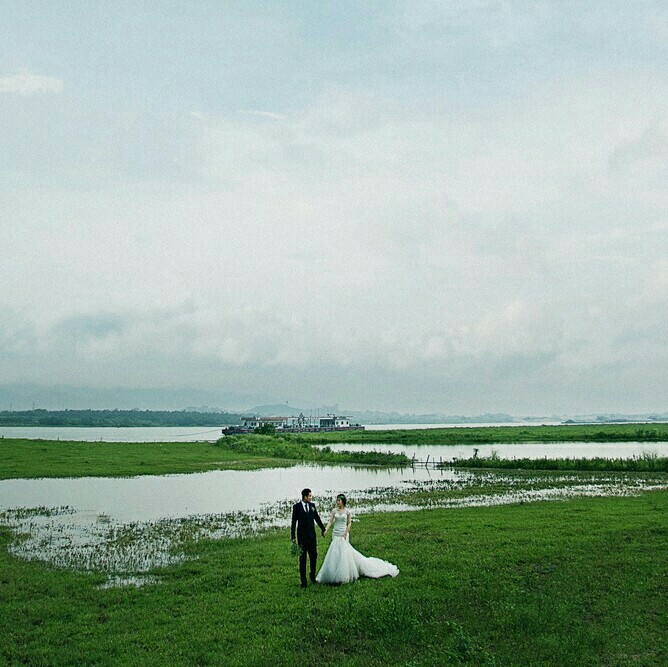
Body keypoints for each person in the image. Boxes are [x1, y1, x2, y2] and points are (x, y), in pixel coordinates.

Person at [316, 494, 399, 584]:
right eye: (337, 500)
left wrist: (346, 533)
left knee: (344, 552)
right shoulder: (334, 511)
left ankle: (343, 574)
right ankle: (332, 572)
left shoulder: (347, 512)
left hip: (343, 533)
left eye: (339, 500)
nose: (337, 502)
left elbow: (349, 523)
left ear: (343, 502)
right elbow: (330, 521)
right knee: (334, 551)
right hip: (335, 533)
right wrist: (326, 530)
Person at [290, 488, 325, 589]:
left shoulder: (312, 506)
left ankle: (312, 576)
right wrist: (293, 536)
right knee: (302, 559)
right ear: (305, 497)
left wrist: (323, 529)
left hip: (312, 537)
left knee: (314, 556)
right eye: (309, 496)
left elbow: (317, 518)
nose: (311, 497)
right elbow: (293, 522)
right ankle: (303, 582)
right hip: (302, 538)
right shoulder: (296, 507)